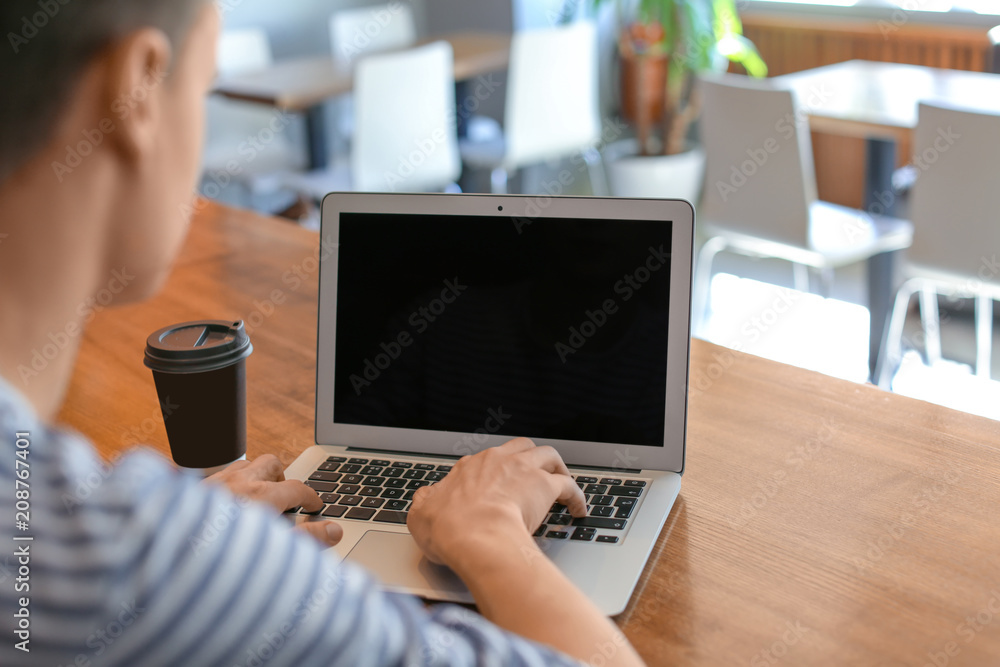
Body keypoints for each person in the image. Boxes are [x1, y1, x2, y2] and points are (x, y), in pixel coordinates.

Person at [0, 1, 646, 665]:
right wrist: (487, 531)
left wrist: (187, 540)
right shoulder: (124, 562)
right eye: (203, 86)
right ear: (137, 91)